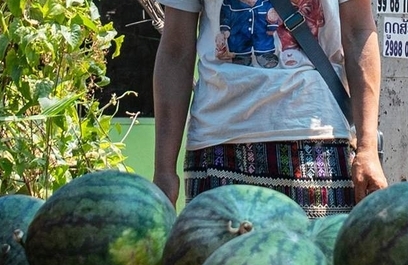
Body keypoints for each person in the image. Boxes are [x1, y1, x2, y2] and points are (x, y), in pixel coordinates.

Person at [152, 0, 387, 218]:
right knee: (218, 262)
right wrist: (164, 171)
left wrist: (368, 149)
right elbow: (176, 50)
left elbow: (359, 32)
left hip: (318, 143)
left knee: (315, 260)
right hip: (217, 145)